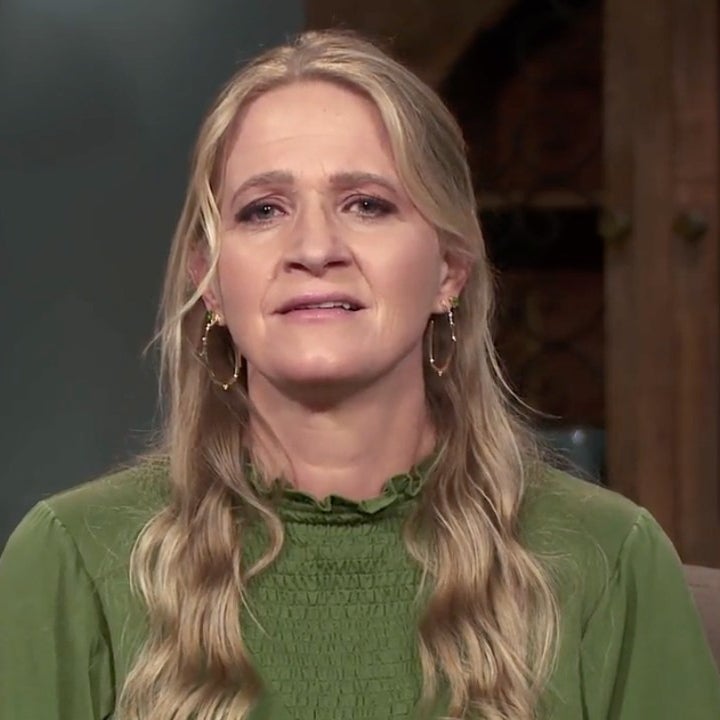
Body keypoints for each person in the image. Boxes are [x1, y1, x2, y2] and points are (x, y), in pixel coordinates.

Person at [0, 29, 718, 720]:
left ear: (449, 270)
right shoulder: (72, 562)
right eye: (264, 210)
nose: (314, 248)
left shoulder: (609, 560)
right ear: (209, 279)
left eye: (367, 204)